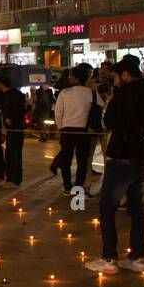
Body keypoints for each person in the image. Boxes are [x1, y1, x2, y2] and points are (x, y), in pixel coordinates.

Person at [86, 56, 144, 275]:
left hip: (122, 156)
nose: (115, 82)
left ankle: (109, 258)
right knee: (136, 207)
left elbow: (109, 122)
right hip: (143, 158)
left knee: (107, 207)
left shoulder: (123, 94)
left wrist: (111, 101)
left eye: (116, 77)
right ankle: (137, 258)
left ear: (125, 75)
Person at [51, 64, 96, 196]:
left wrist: (61, 127)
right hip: (83, 131)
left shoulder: (64, 93)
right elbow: (99, 108)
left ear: (76, 78)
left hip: (67, 130)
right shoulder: (91, 93)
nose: (69, 78)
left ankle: (67, 186)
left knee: (66, 159)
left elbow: (58, 113)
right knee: (82, 161)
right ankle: (79, 187)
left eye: (71, 76)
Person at [0, 72, 25, 187]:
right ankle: (9, 178)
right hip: (9, 130)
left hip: (15, 129)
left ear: (1, 84)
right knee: (8, 154)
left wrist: (10, 118)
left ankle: (15, 179)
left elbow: (19, 110)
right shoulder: (5, 96)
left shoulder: (14, 95)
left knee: (15, 154)